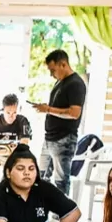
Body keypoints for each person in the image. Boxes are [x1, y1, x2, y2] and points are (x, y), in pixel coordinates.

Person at [33, 50, 86, 195]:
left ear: (63, 64)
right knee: (41, 176)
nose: (51, 74)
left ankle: (61, 215)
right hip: (50, 137)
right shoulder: (60, 82)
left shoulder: (76, 84)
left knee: (61, 180)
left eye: (53, 70)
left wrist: (48, 109)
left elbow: (74, 113)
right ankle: (41, 210)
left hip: (64, 138)